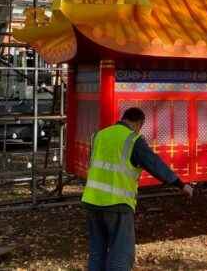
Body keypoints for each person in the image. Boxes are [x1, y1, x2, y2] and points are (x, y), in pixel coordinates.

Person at [82, 107, 193, 271]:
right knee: (120, 255)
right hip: (117, 204)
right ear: (139, 123)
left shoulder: (99, 135)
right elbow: (154, 164)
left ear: (123, 118)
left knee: (97, 252)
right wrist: (180, 184)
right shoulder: (133, 140)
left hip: (91, 201)